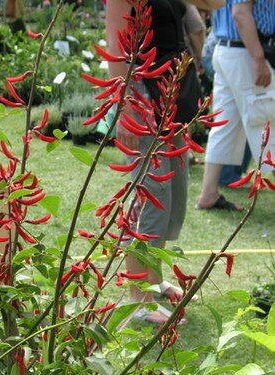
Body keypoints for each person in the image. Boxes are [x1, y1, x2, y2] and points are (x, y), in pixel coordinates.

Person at [106, 0, 225, 324]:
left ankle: (153, 280)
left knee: (172, 193)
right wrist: (126, 106)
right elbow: (116, 46)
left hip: (169, 98)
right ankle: (138, 298)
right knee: (150, 196)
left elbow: (217, 3)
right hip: (142, 97)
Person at [197, 0, 275, 210]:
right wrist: (258, 59)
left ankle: (208, 193)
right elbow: (240, 13)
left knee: (224, 125)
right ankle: (208, 193)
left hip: (227, 48)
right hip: (247, 52)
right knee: (268, 121)